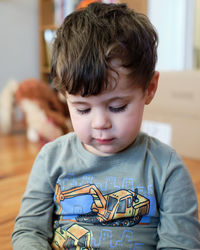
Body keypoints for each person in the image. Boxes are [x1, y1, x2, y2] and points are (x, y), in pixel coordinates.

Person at [12, 2, 200, 249]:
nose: (100, 123)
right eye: (82, 109)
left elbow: (180, 243)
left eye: (117, 107)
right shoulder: (51, 159)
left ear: (149, 89)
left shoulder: (166, 169)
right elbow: (29, 231)